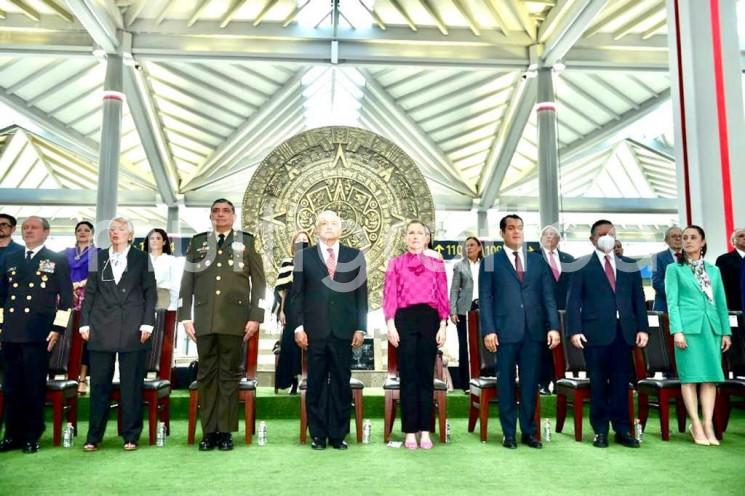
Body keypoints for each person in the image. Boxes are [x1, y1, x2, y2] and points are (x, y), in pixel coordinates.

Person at [179, 199, 266, 451]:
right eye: (216, 211)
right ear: (210, 216)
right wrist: (185, 315)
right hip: (204, 319)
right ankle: (208, 432)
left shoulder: (248, 242)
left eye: (226, 211)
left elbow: (259, 284)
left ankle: (225, 431)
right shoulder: (198, 242)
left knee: (229, 375)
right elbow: (187, 281)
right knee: (206, 376)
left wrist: (255, 316)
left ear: (234, 216)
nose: (220, 215)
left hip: (235, 319)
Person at [479, 215, 560, 450]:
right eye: (511, 228)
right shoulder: (491, 261)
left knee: (529, 383)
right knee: (505, 384)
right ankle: (508, 434)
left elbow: (548, 296)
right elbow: (485, 298)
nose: (516, 232)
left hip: (533, 332)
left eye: (520, 228)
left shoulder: (537, 261)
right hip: (504, 332)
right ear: (502, 233)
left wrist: (553, 326)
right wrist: (489, 330)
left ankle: (529, 432)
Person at [566, 219, 649, 449]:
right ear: (592, 239)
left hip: (624, 334)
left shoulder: (629, 265)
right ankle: (600, 430)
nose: (607, 237)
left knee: (622, 383)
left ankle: (622, 430)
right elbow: (573, 301)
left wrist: (642, 328)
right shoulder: (581, 265)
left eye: (610, 233)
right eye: (602, 233)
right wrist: (574, 330)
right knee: (599, 384)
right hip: (594, 334)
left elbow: (638, 300)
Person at [290, 210, 367, 450]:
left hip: (344, 331)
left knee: (341, 384)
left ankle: (338, 434)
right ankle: (318, 434)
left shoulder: (355, 256)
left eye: (333, 223)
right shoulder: (304, 257)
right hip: (314, 332)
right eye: (323, 223)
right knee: (316, 384)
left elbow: (361, 295)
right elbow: (297, 295)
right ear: (316, 229)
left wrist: (361, 327)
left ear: (341, 228)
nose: (329, 227)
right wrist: (298, 327)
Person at [80, 218, 156, 451]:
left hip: (134, 327)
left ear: (130, 235)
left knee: (131, 384)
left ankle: (131, 435)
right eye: (112, 229)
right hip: (101, 326)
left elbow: (150, 292)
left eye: (121, 229)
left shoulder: (143, 258)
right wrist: (85, 323)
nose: (115, 233)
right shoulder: (98, 257)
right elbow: (89, 293)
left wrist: (147, 324)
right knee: (99, 384)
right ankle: (94, 436)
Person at [0, 216, 72, 454]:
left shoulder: (56, 259)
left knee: (32, 387)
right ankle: (12, 435)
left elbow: (67, 301)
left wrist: (58, 329)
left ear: (46, 232)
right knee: (11, 387)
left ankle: (31, 435)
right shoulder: (10, 258)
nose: (28, 231)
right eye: (25, 228)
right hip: (10, 332)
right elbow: (2, 298)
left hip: (38, 333)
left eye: (34, 227)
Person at [384, 220, 449, 450]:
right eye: (410, 233)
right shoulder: (395, 263)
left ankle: (425, 431)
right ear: (405, 238)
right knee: (409, 376)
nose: (414, 236)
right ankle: (410, 431)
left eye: (419, 233)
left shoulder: (437, 263)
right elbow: (390, 295)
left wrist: (442, 325)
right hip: (404, 320)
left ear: (426, 238)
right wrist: (391, 325)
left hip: (430, 320)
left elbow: (443, 295)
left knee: (425, 376)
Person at [665, 225, 731, 445]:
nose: (688, 241)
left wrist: (725, 332)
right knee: (691, 378)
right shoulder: (674, 270)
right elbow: (672, 303)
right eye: (685, 238)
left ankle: (708, 423)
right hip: (688, 331)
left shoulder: (714, 270)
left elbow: (721, 304)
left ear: (703, 242)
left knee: (711, 378)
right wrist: (677, 331)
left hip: (711, 330)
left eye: (693, 237)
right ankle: (696, 424)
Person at [538, 225, 575, 394]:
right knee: (544, 347)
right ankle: (543, 383)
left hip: (564, 311)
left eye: (554, 235)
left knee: (563, 347)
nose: (550, 238)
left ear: (559, 240)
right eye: (547, 235)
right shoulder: (534, 258)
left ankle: (559, 380)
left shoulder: (569, 258)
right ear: (541, 238)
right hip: (541, 310)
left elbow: (573, 285)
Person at [62, 220, 98, 393]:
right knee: (64, 334)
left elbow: (100, 275)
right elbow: (58, 272)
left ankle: (82, 377)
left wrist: (80, 284)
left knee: (85, 338)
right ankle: (64, 374)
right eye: (79, 230)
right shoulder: (65, 253)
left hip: (89, 299)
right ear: (75, 233)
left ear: (92, 234)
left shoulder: (99, 253)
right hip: (65, 297)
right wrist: (68, 285)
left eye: (86, 230)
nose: (82, 232)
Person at [274, 231, 310, 394]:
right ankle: (293, 380)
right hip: (291, 306)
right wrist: (281, 311)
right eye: (299, 240)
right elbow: (283, 291)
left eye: (305, 240)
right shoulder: (287, 262)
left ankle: (308, 377)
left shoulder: (314, 261)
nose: (302, 242)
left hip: (310, 306)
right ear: (293, 243)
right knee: (290, 343)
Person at [449, 236, 482, 394]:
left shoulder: (487, 265)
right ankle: (466, 383)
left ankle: (483, 379)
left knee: (483, 345)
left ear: (479, 247)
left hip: (484, 310)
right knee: (465, 346)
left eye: (472, 245)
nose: (469, 248)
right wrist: (453, 310)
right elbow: (454, 289)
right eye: (466, 245)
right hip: (464, 310)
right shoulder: (459, 266)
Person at [144, 228, 180, 310]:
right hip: (143, 297)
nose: (154, 241)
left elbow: (175, 284)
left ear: (164, 242)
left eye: (158, 238)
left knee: (161, 322)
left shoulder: (171, 260)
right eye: (152, 238)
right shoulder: (142, 259)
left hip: (163, 297)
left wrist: (173, 306)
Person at [652, 226, 683, 312]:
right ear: (666, 240)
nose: (678, 239)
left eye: (680, 236)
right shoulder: (656, 257)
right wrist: (677, 294)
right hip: (665, 306)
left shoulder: (690, 257)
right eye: (673, 236)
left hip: (687, 306)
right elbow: (656, 282)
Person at [715, 228, 745, 311]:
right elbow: (720, 286)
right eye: (741, 236)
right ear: (733, 241)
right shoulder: (724, 259)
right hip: (735, 308)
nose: (744, 238)